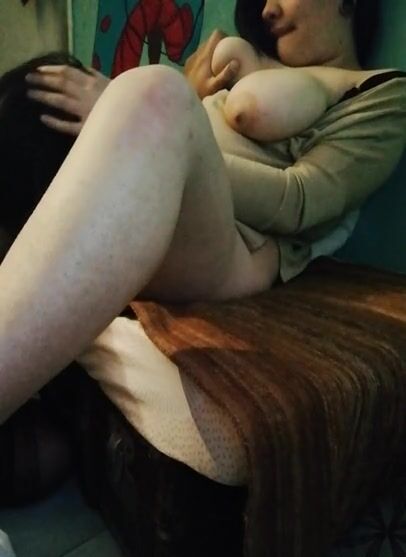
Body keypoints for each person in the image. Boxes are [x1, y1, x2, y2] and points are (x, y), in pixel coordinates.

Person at [0, 0, 405, 425]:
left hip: (236, 249)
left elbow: (301, 202)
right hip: (178, 203)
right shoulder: (252, 68)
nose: (267, 10)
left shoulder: (382, 92)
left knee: (156, 93)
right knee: (30, 103)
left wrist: (163, 146)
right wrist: (184, 108)